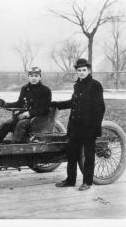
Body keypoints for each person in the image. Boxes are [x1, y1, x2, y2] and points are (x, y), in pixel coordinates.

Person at [52, 58, 105, 191]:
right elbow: (73, 102)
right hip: (75, 127)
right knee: (72, 153)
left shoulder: (95, 85)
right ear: (76, 71)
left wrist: (95, 128)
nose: (81, 72)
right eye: (79, 70)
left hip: (88, 128)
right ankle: (70, 180)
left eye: (84, 70)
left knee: (89, 155)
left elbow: (100, 108)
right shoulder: (77, 85)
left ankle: (87, 182)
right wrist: (56, 104)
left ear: (89, 70)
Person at [0, 66, 52, 144]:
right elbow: (19, 103)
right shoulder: (25, 88)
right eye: (31, 76)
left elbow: (44, 109)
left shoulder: (45, 90)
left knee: (20, 124)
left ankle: (15, 149)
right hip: (23, 117)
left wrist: (29, 113)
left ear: (40, 77)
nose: (34, 78)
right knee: (6, 124)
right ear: (28, 77)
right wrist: (5, 105)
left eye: (36, 76)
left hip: (37, 120)